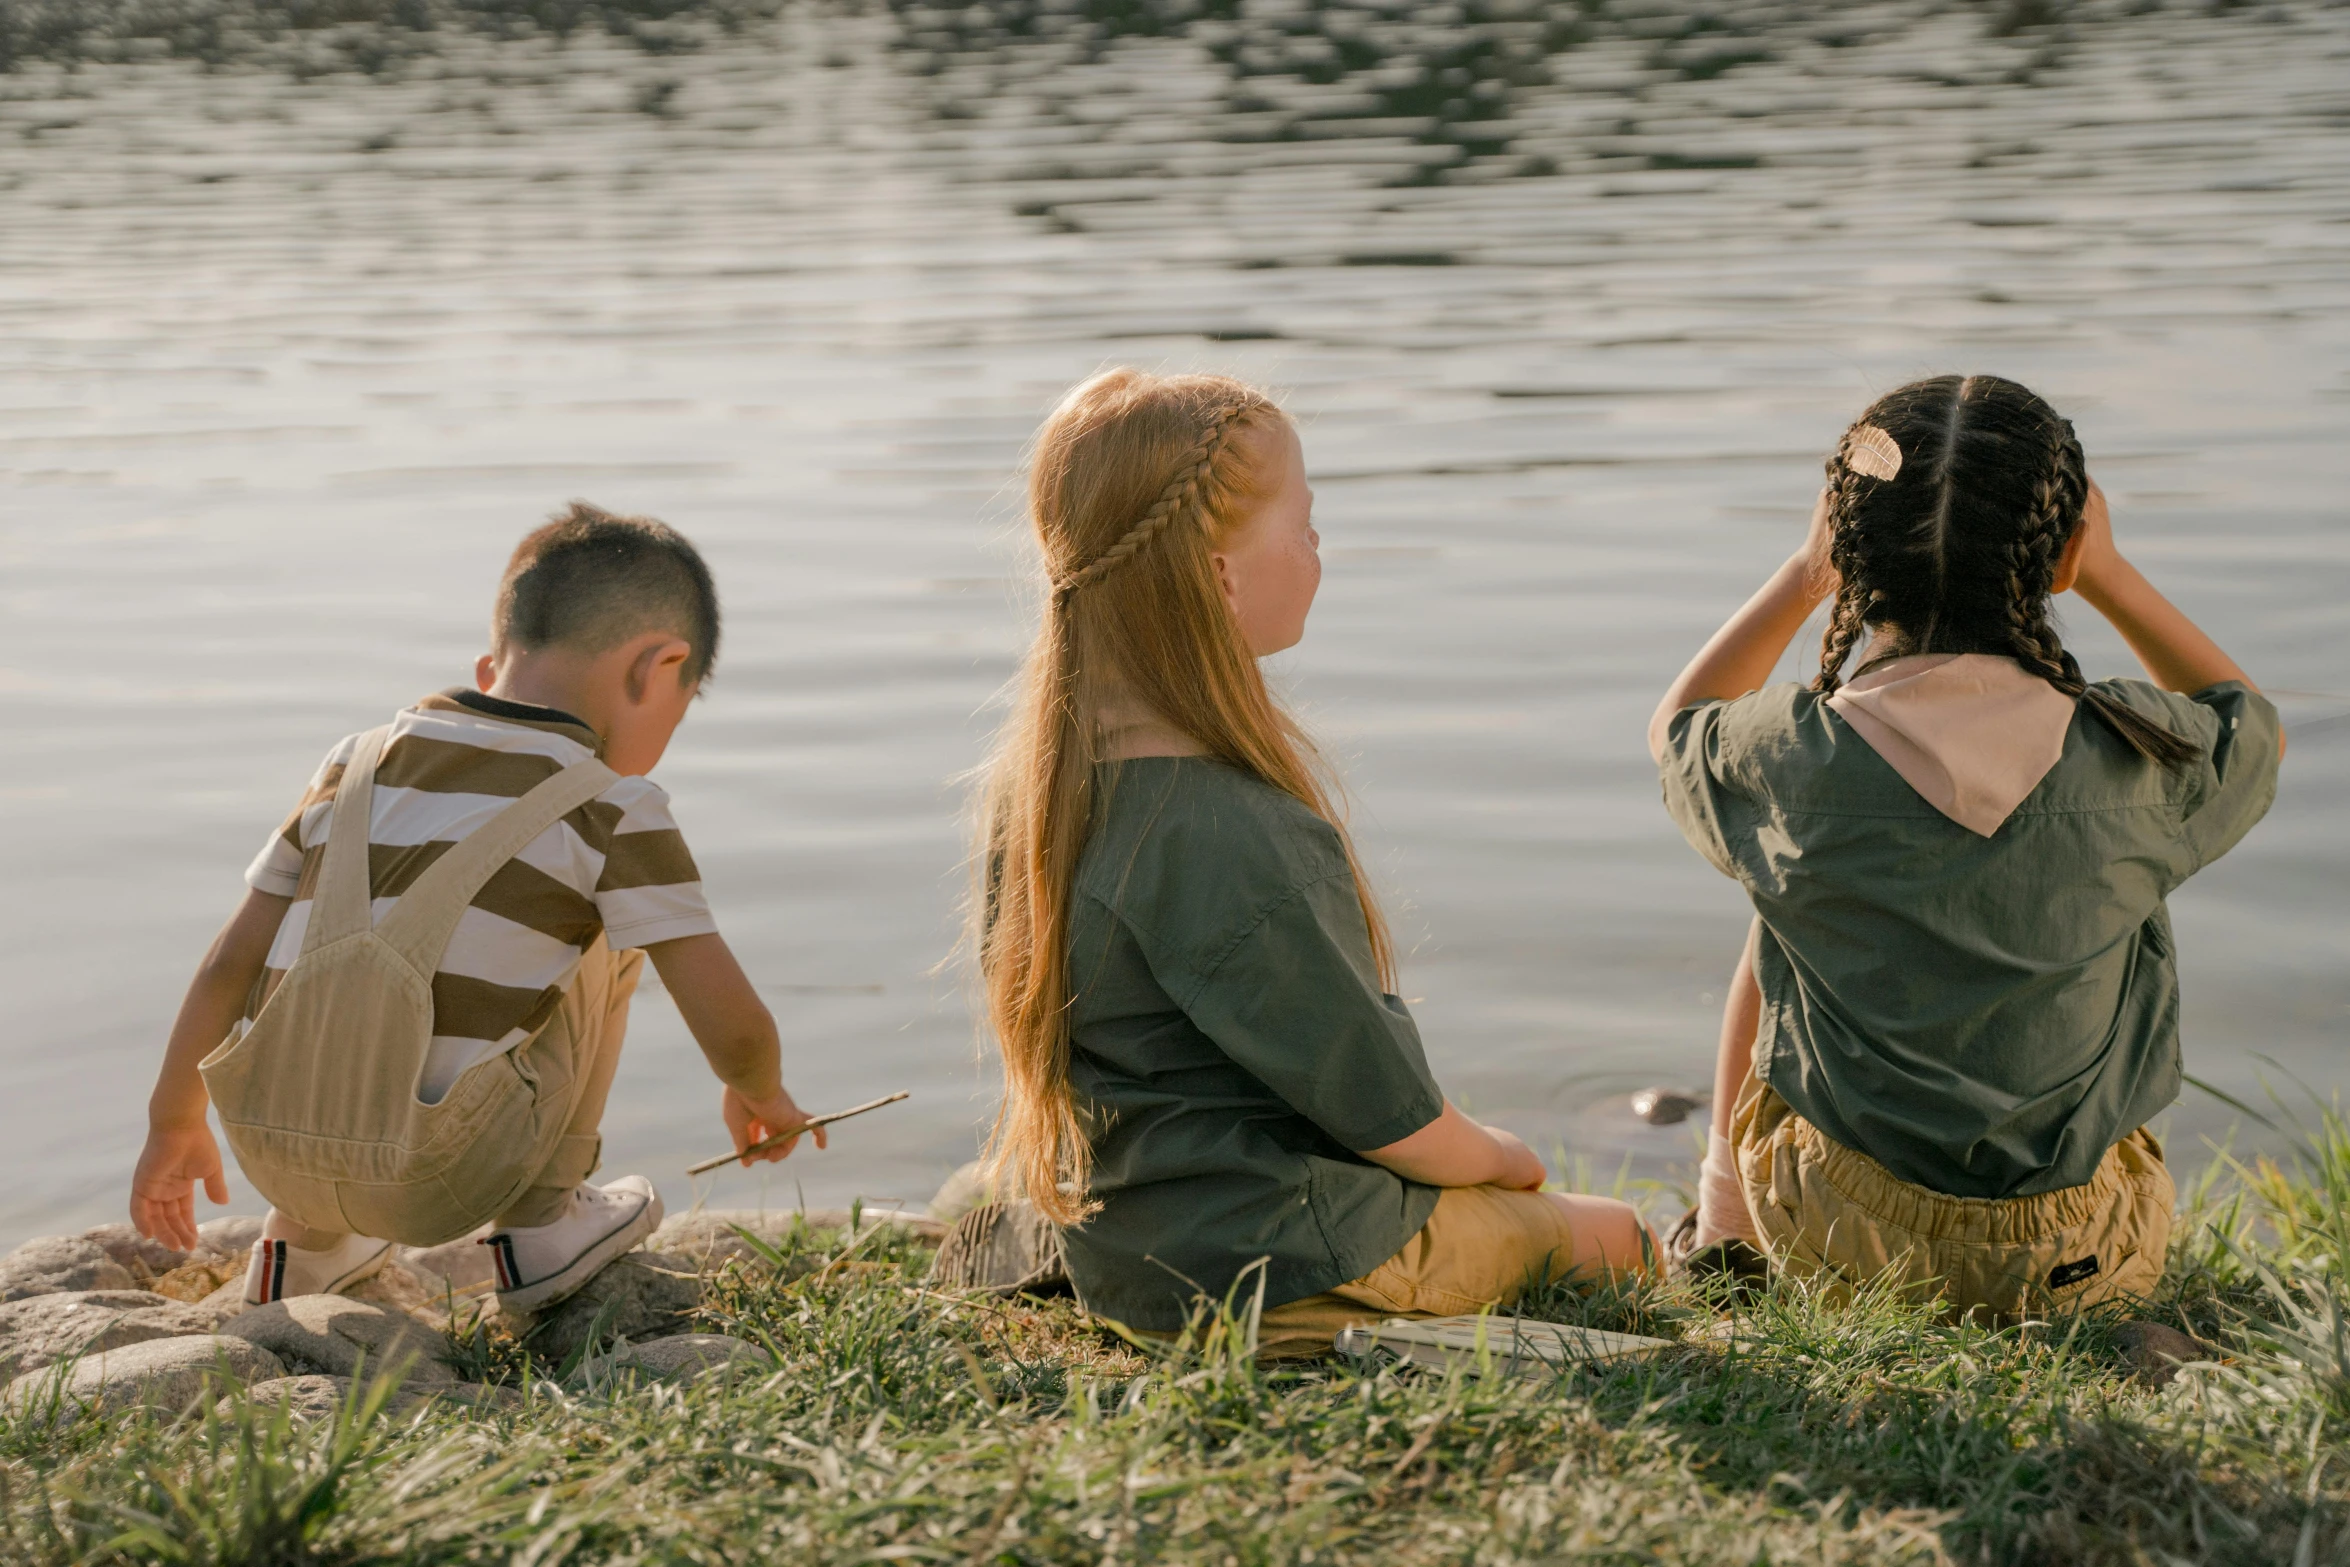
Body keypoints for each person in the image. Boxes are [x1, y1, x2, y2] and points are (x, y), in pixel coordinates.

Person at [971, 368, 1653, 1351]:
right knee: (1616, 1235)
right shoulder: (1236, 828)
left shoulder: (1039, 798)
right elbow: (1392, 1120)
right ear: (1219, 575)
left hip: (1129, 1259)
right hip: (1279, 1256)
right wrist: (1502, 1157)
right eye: (1305, 524)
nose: (1319, 548)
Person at [1652, 374, 2282, 1317]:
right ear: (2057, 551)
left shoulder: (1791, 758)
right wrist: (2108, 572)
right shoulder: (2140, 751)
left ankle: (1726, 1230)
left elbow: (1681, 724)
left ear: (1848, 547)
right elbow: (2251, 723)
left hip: (1841, 1243)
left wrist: (1800, 572)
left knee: (1779, 895)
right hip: (2085, 1255)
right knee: (2124, 868)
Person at [129, 503, 824, 1312]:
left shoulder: (351, 764)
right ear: (657, 669)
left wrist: (173, 1125)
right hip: (445, 1171)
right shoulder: (614, 808)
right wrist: (761, 1090)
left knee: (328, 928)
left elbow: (227, 962)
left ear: (492, 667)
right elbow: (729, 1018)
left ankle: (303, 1242)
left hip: (272, 1149)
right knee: (614, 937)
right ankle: (540, 1225)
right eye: (682, 702)